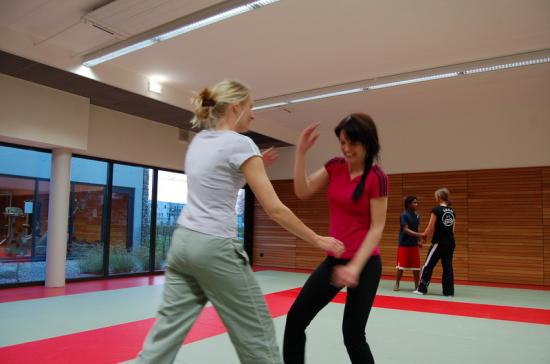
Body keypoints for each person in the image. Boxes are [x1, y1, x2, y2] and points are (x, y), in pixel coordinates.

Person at [134, 80, 344, 364]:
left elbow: (216, 179)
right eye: (251, 108)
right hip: (214, 248)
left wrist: (254, 165)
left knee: (164, 336)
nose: (254, 115)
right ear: (236, 107)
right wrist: (318, 239)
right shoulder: (241, 143)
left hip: (183, 243)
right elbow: (275, 210)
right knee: (257, 334)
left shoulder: (199, 141)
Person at [283, 114, 389, 364]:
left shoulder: (377, 177)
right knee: (295, 319)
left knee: (352, 335)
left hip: (365, 265)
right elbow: (303, 190)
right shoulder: (335, 166)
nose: (346, 148)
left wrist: (354, 267)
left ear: (367, 143)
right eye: (342, 142)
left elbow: (377, 227)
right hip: (334, 261)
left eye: (352, 143)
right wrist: (300, 154)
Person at [413, 187, 456, 296]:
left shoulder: (436, 210)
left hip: (439, 243)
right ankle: (448, 292)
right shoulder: (452, 211)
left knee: (428, 265)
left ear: (438, 197)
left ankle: (421, 289)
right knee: (447, 267)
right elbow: (453, 229)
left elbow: (430, 227)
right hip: (450, 243)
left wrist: (423, 235)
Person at [394, 196, 425, 291]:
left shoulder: (417, 215)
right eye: (414, 202)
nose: (416, 204)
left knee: (416, 267)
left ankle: (417, 286)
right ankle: (397, 283)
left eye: (417, 202)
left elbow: (416, 229)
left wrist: (419, 240)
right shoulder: (404, 215)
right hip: (404, 244)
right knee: (401, 267)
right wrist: (420, 235)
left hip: (413, 244)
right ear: (408, 204)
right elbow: (406, 230)